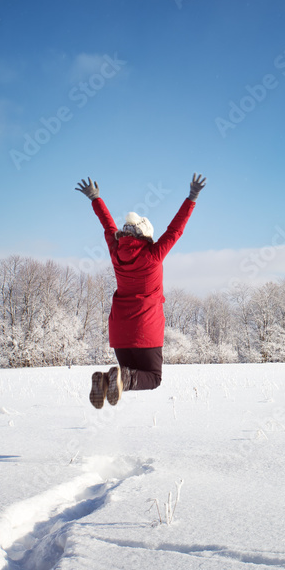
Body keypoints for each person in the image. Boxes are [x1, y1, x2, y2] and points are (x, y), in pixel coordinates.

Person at [75, 173, 206, 408]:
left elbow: (108, 227)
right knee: (153, 378)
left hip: (120, 333)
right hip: (145, 329)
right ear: (146, 235)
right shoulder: (153, 255)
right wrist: (192, 197)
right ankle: (120, 377)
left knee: (126, 374)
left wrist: (95, 198)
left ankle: (106, 380)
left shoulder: (116, 253)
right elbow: (175, 230)